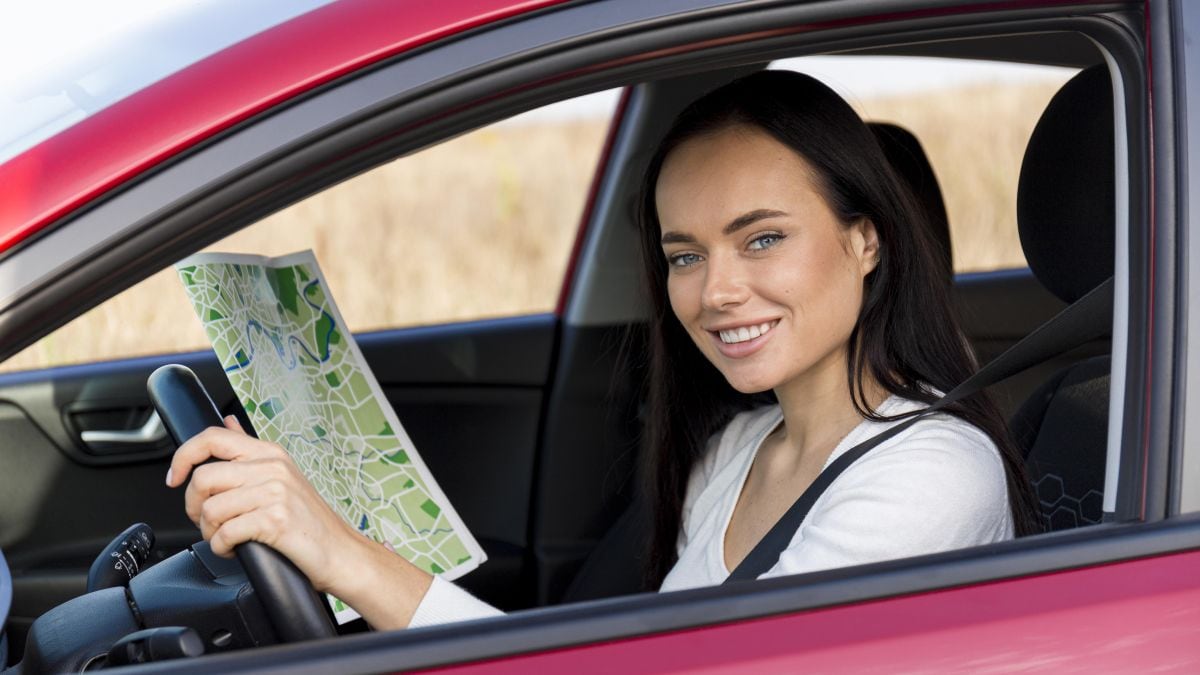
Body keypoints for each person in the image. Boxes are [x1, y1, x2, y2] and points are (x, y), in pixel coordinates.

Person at [165, 70, 1039, 631]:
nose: (716, 290)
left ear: (867, 241)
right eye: (684, 254)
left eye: (762, 238)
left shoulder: (932, 475)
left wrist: (344, 555)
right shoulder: (736, 451)